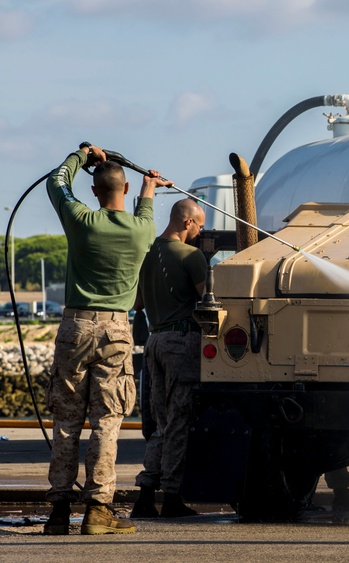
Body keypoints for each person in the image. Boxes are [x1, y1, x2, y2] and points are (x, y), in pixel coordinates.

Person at [44, 144, 166, 535]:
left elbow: (56, 182)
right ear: (125, 189)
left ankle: (59, 511)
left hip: (75, 325)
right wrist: (150, 184)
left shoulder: (82, 220)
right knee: (107, 421)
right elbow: (145, 206)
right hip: (116, 329)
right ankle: (98, 510)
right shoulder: (142, 228)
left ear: (94, 192)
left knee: (66, 420)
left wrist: (81, 155)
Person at [131, 198, 208, 519]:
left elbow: (137, 304)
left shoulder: (147, 255)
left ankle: (145, 496)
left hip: (155, 341)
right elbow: (208, 303)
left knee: (161, 425)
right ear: (187, 222)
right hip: (181, 342)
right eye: (200, 226)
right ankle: (173, 498)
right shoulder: (192, 256)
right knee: (179, 422)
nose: (200, 233)